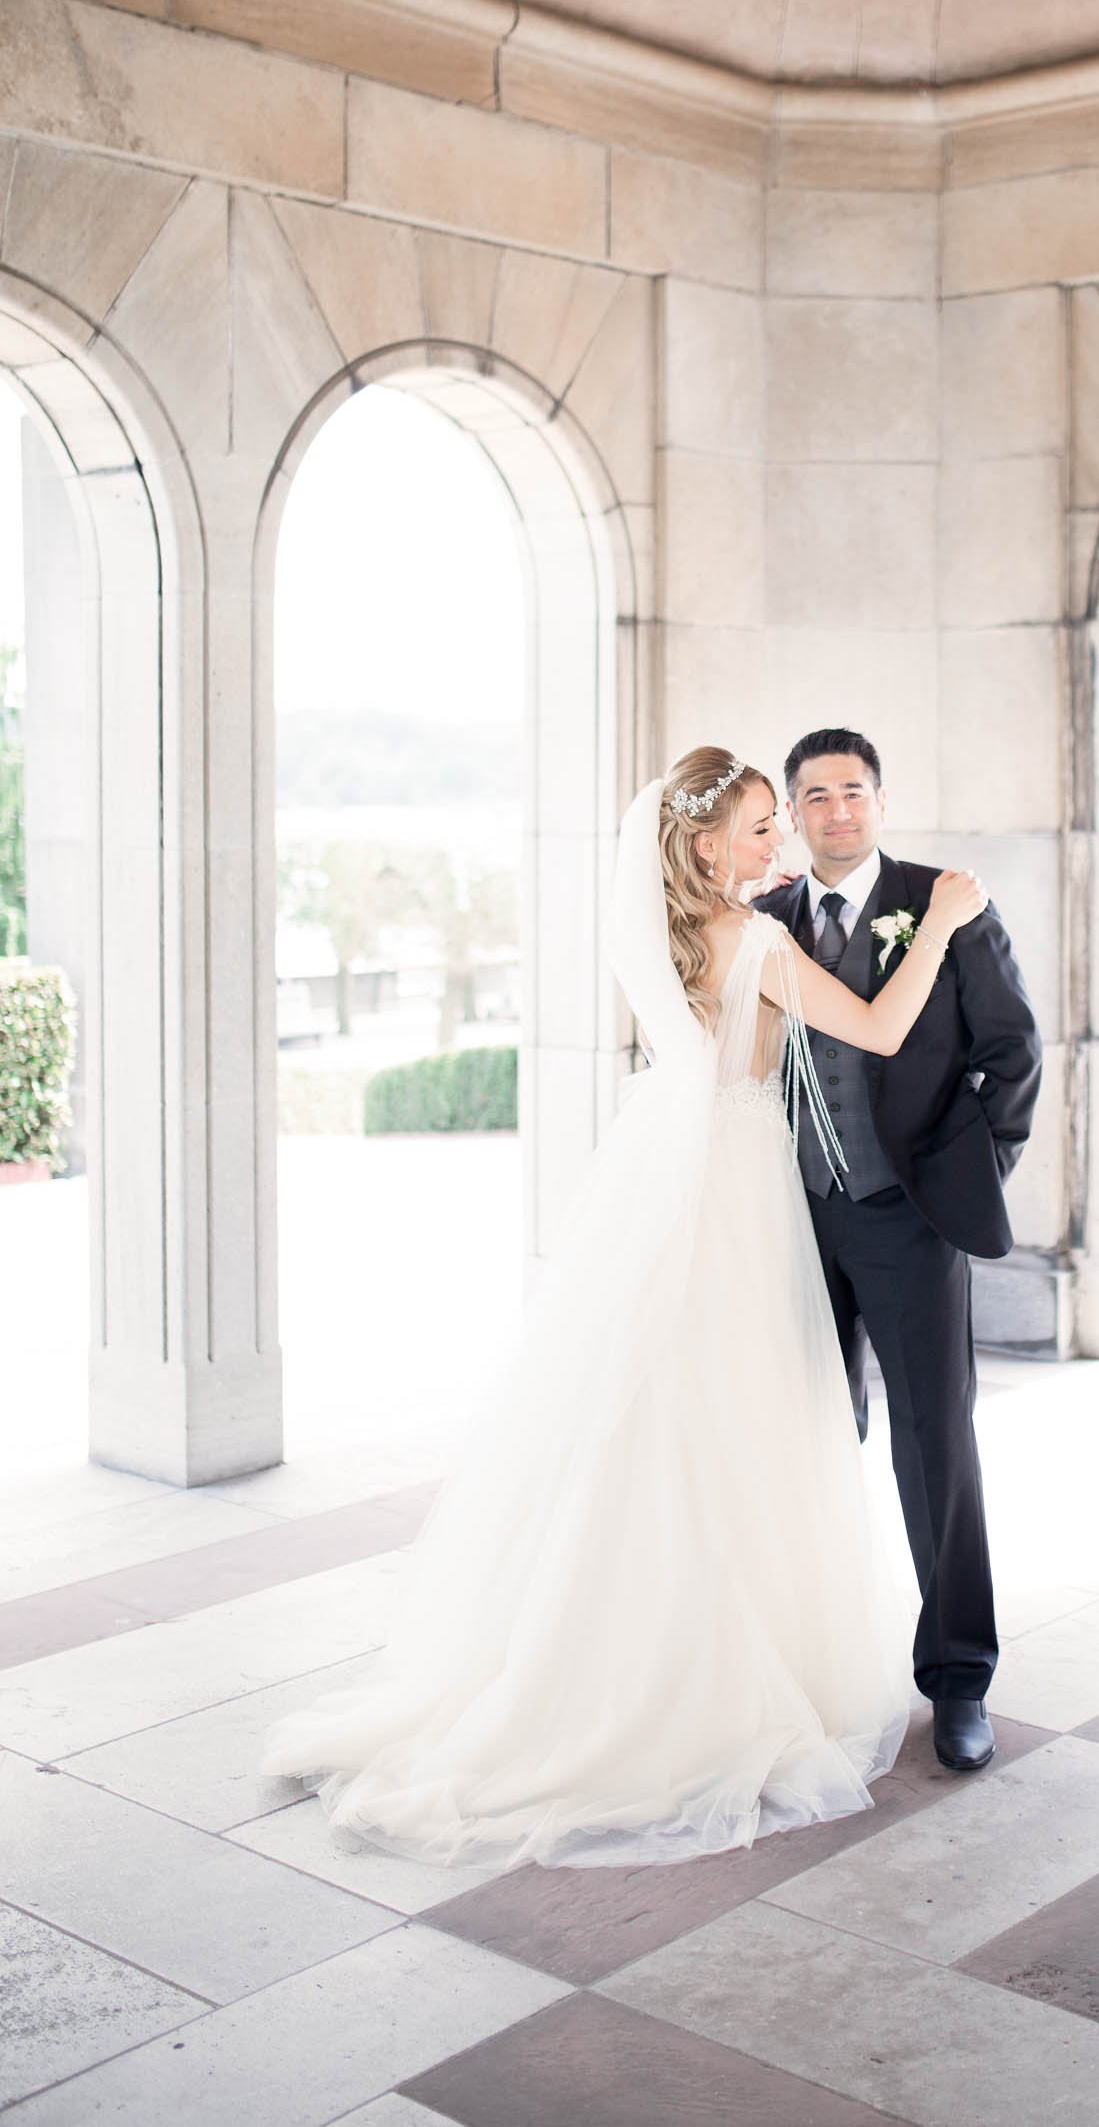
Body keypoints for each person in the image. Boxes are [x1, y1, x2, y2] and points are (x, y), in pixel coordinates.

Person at [258, 746, 988, 1870]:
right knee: (745, 1428)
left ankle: (609, 1653)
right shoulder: (753, 937)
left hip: (672, 1172)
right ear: (705, 845)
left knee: (656, 1420)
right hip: (745, 1182)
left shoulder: (661, 937)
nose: (780, 844)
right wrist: (937, 925)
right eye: (759, 828)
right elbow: (882, 1031)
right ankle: (708, 1678)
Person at [760, 728, 1043, 1774]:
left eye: (854, 791)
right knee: (802, 1440)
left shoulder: (944, 901)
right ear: (792, 813)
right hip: (789, 1217)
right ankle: (818, 1668)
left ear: (881, 801)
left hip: (904, 1214)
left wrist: (965, 1175)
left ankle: (960, 1677)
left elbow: (1011, 1053)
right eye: (816, 795)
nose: (838, 810)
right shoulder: (768, 918)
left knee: (936, 1448)